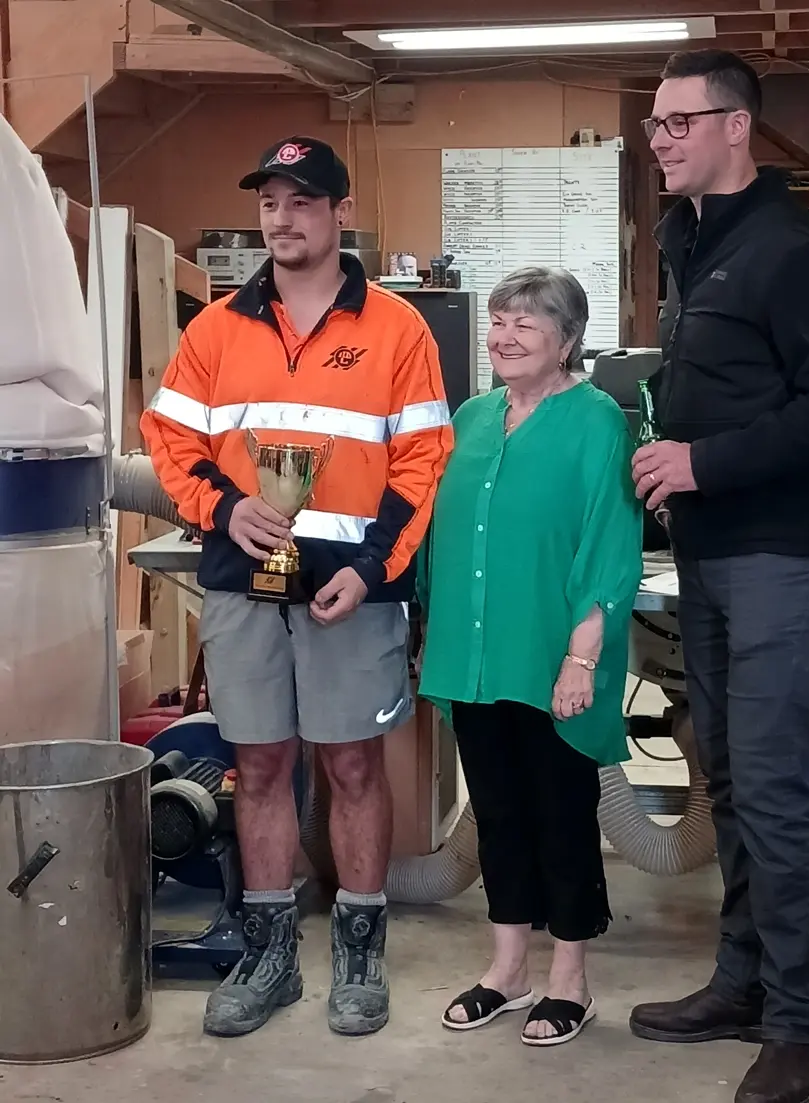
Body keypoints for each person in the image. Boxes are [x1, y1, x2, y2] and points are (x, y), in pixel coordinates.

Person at [140, 135, 453, 1040]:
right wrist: (221, 509)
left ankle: (360, 951)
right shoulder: (215, 330)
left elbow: (425, 457)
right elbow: (171, 442)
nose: (282, 219)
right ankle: (269, 952)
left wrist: (373, 567)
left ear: (341, 214)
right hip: (244, 582)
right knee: (262, 764)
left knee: (351, 763)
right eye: (271, 202)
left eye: (303, 201)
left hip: (353, 584)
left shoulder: (398, 329)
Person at [627, 51, 809, 1103]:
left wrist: (703, 461)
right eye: (655, 125)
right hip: (714, 545)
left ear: (737, 128)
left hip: (785, 548)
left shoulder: (792, 251)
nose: (661, 141)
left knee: (772, 781)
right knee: (727, 770)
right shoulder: (699, 243)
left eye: (680, 122)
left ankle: (797, 1023)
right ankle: (740, 980)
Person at [416, 266, 643, 1047]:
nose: (505, 336)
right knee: (500, 814)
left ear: (568, 340)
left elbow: (611, 545)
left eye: (527, 324)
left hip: (552, 657)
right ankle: (507, 970)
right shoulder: (473, 416)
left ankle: (569, 980)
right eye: (500, 321)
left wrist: (581, 659)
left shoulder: (598, 422)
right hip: (475, 650)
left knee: (561, 816)